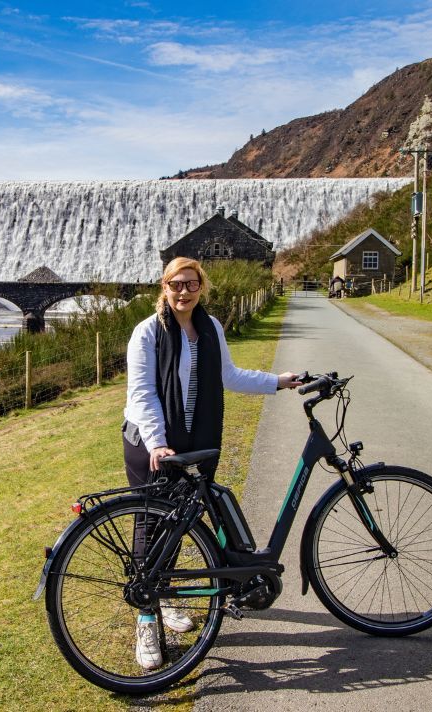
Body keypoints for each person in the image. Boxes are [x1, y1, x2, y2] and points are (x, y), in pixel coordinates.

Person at [122, 257, 301, 669]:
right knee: (151, 525)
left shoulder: (211, 328)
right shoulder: (147, 333)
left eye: (191, 284)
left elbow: (230, 376)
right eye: (175, 285)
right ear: (163, 288)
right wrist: (158, 443)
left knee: (180, 523)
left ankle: (164, 598)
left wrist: (278, 381)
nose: (183, 292)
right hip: (150, 442)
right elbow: (142, 395)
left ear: (201, 287)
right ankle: (147, 617)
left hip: (195, 441)